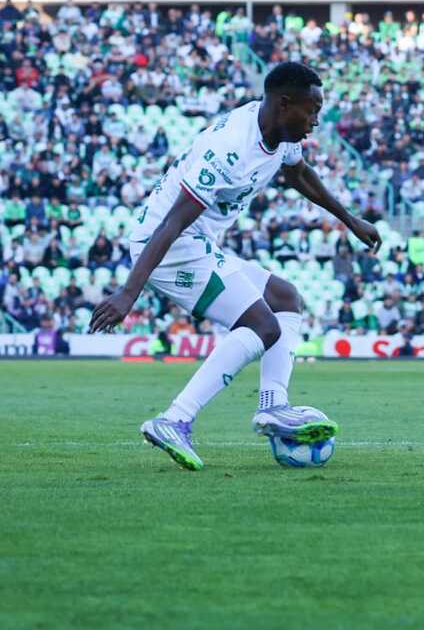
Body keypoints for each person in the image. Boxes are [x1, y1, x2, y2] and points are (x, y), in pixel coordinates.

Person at [89, 62, 381, 471]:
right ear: (284, 103)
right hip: (170, 243)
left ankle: (273, 406)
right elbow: (173, 221)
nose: (316, 120)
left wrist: (350, 220)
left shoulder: (279, 134)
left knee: (284, 298)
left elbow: (299, 174)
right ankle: (174, 420)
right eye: (311, 110)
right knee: (263, 326)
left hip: (197, 241)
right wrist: (128, 292)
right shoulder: (231, 147)